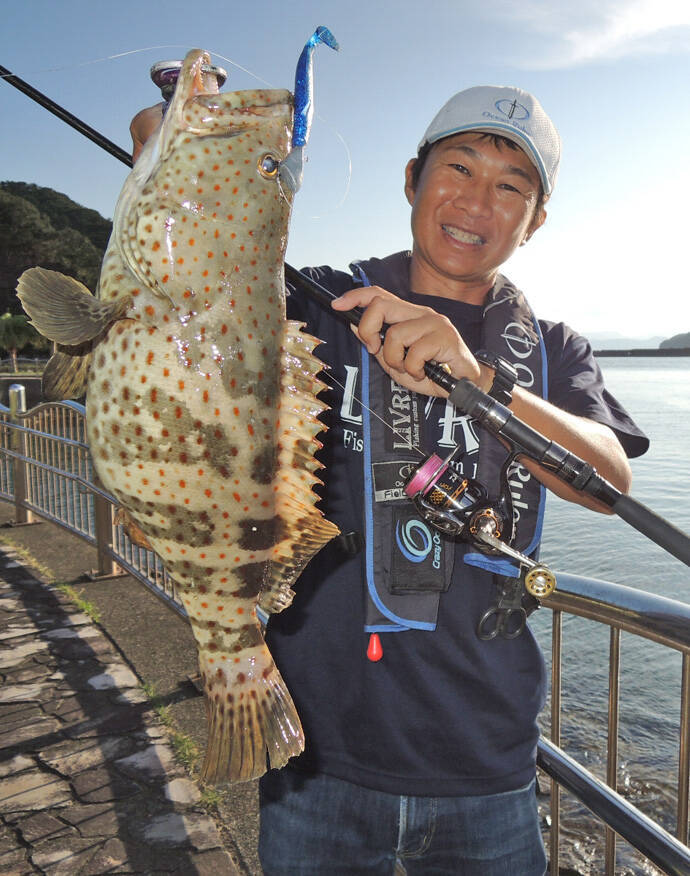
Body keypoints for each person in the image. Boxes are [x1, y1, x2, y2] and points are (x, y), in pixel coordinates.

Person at [130, 84, 648, 873]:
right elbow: (193, 302)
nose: (476, 202)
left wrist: (482, 381)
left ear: (535, 220)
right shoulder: (315, 303)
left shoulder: (552, 349)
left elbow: (608, 480)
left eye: (511, 187)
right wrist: (169, 170)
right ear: (412, 178)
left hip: (487, 764)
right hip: (316, 756)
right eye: (458, 168)